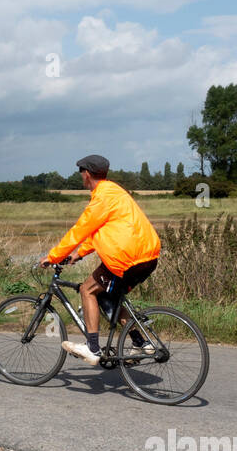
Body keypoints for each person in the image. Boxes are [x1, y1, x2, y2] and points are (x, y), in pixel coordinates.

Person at [40, 154, 161, 366]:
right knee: (106, 298)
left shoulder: (101, 198)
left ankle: (92, 348)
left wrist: (53, 257)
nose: (80, 176)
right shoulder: (113, 191)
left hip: (127, 259)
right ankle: (140, 342)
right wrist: (80, 253)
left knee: (87, 289)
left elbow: (79, 230)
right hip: (147, 256)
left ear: (87, 174)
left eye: (81, 172)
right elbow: (103, 230)